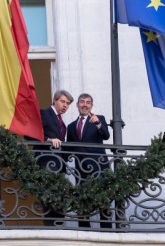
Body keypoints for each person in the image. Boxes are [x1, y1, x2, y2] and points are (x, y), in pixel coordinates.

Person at [27, 89, 73, 226]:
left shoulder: (61, 122)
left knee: (58, 199)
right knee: (48, 198)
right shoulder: (44, 113)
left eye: (68, 103)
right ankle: (51, 228)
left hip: (58, 166)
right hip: (45, 163)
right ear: (55, 100)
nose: (65, 105)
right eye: (63, 101)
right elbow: (29, 134)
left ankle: (57, 227)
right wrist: (48, 139)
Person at [66, 93, 111, 228]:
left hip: (99, 167)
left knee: (104, 202)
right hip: (81, 170)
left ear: (91, 105)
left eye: (88, 102)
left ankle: (107, 233)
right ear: (77, 105)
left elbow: (106, 136)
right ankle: (85, 232)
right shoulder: (71, 126)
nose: (85, 105)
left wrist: (98, 123)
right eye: (82, 102)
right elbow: (69, 149)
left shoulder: (99, 118)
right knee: (82, 203)